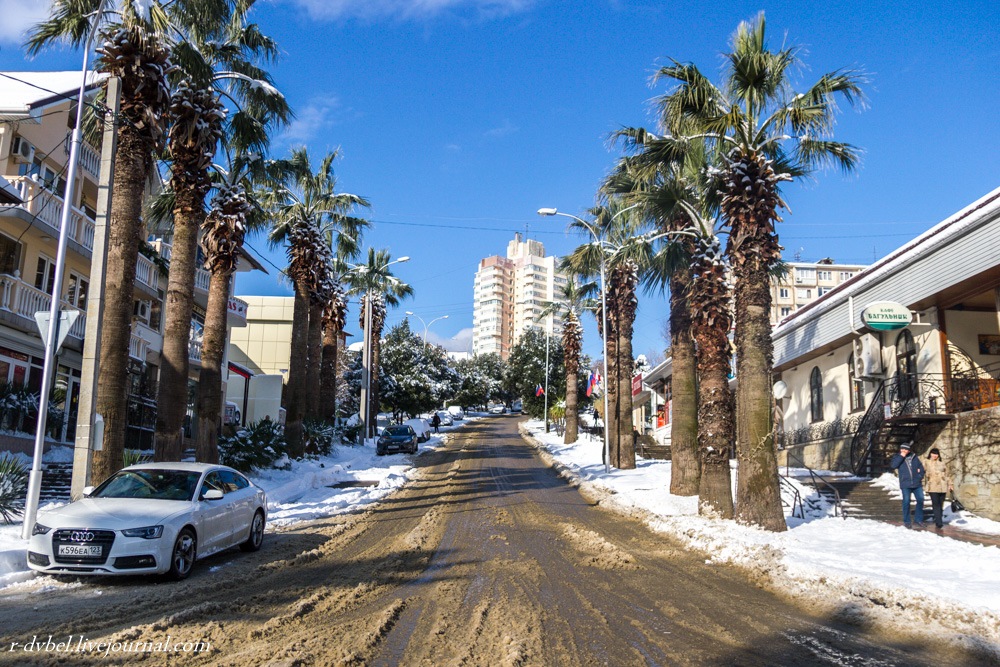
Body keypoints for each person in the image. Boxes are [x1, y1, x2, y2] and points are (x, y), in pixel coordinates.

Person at [890, 441, 926, 528]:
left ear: (909, 450)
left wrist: (919, 475)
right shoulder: (897, 457)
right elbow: (893, 465)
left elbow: (921, 468)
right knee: (906, 502)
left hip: (917, 484)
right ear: (900, 449)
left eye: (906, 449)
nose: (904, 451)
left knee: (921, 499)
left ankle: (918, 520)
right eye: (902, 449)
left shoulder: (914, 457)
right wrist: (901, 456)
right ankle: (907, 521)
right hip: (905, 484)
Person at [923, 447, 953, 529]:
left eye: (936, 454)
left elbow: (947, 475)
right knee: (935, 503)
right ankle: (939, 522)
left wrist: (950, 484)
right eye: (933, 453)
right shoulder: (926, 462)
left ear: (938, 455)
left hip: (942, 486)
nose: (934, 455)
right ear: (930, 454)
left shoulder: (942, 463)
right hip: (932, 486)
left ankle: (938, 518)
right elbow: (921, 470)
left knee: (940, 504)